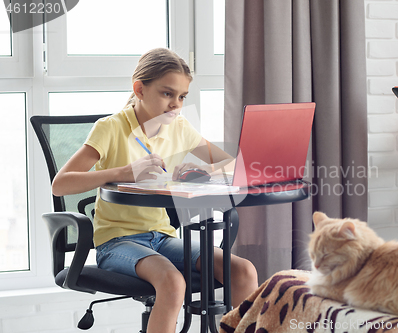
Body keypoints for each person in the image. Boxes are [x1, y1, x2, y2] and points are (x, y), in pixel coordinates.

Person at [52, 48, 259, 333]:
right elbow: (61, 183)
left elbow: (228, 165)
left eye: (182, 97)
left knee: (243, 270)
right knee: (173, 282)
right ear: (140, 89)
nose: (176, 104)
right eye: (167, 94)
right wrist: (123, 173)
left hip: (162, 238)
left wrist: (193, 173)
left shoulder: (179, 127)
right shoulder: (110, 128)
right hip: (117, 242)